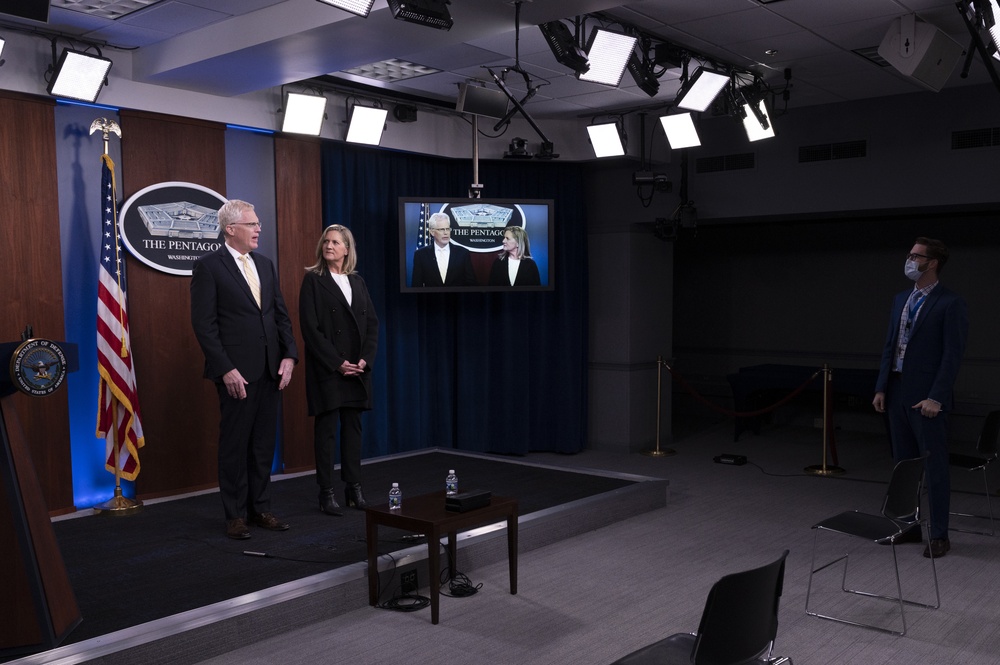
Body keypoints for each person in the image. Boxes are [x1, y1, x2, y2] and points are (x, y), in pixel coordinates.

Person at [190, 199, 297, 540]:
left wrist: (289, 356)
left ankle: (260, 508)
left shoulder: (265, 264)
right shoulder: (209, 266)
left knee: (264, 445)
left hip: (270, 370)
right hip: (236, 373)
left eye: (258, 223)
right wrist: (225, 369)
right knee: (235, 446)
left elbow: (280, 315)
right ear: (231, 229)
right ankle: (235, 515)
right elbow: (204, 325)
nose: (258, 229)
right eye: (252, 224)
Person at [873, 237, 968, 559]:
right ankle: (906, 526)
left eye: (916, 256)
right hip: (897, 390)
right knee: (904, 465)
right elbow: (890, 347)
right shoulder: (901, 298)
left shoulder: (949, 303)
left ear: (933, 262)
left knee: (935, 467)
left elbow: (952, 355)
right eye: (910, 254)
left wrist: (936, 398)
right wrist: (881, 387)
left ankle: (939, 535)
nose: (910, 260)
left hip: (927, 399)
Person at [299, 224, 379, 515]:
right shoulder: (313, 281)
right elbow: (310, 329)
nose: (329, 246)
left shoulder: (357, 282)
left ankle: (353, 488)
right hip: (329, 369)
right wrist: (336, 362)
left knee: (353, 432)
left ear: (347, 249)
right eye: (326, 242)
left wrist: (364, 361)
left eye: (335, 242)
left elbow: (372, 324)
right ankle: (326, 492)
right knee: (327, 433)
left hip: (356, 370)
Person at [410, 212, 477, 287]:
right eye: (441, 229)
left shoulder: (463, 253)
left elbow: (471, 284)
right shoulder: (421, 255)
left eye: (447, 229)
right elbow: (416, 285)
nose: (446, 233)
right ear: (432, 232)